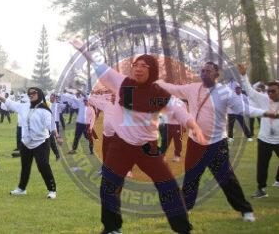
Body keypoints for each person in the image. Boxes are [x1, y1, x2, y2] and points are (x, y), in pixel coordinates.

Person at [72, 39, 206, 234]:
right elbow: (99, 66)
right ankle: (112, 228)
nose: (139, 69)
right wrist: (84, 49)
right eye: (136, 65)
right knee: (109, 186)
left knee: (168, 187)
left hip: (147, 148)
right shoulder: (122, 83)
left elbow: (178, 109)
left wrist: (192, 125)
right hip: (120, 146)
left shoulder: (159, 92)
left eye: (145, 66)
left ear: (152, 71)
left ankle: (183, 229)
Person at [157, 62, 275, 221]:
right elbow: (172, 89)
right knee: (191, 177)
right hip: (195, 142)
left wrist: (266, 113)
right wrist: (156, 81)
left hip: (216, 143)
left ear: (217, 74)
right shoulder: (193, 88)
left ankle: (246, 211)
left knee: (226, 178)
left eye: (208, 70)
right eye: (202, 70)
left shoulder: (225, 92)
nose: (204, 72)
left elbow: (244, 109)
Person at [0, 88, 62, 199]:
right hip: (26, 143)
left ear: (40, 94)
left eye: (33, 93)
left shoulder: (44, 110)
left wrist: (57, 136)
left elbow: (51, 125)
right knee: (25, 167)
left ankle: (52, 190)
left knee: (43, 166)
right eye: (29, 94)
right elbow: (10, 103)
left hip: (41, 143)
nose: (30, 95)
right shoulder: (24, 106)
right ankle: (22, 189)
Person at [237, 65, 279, 199]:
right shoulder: (264, 99)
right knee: (262, 165)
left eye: (273, 91)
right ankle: (261, 189)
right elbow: (249, 91)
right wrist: (243, 76)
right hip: (264, 139)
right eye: (269, 91)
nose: (270, 93)